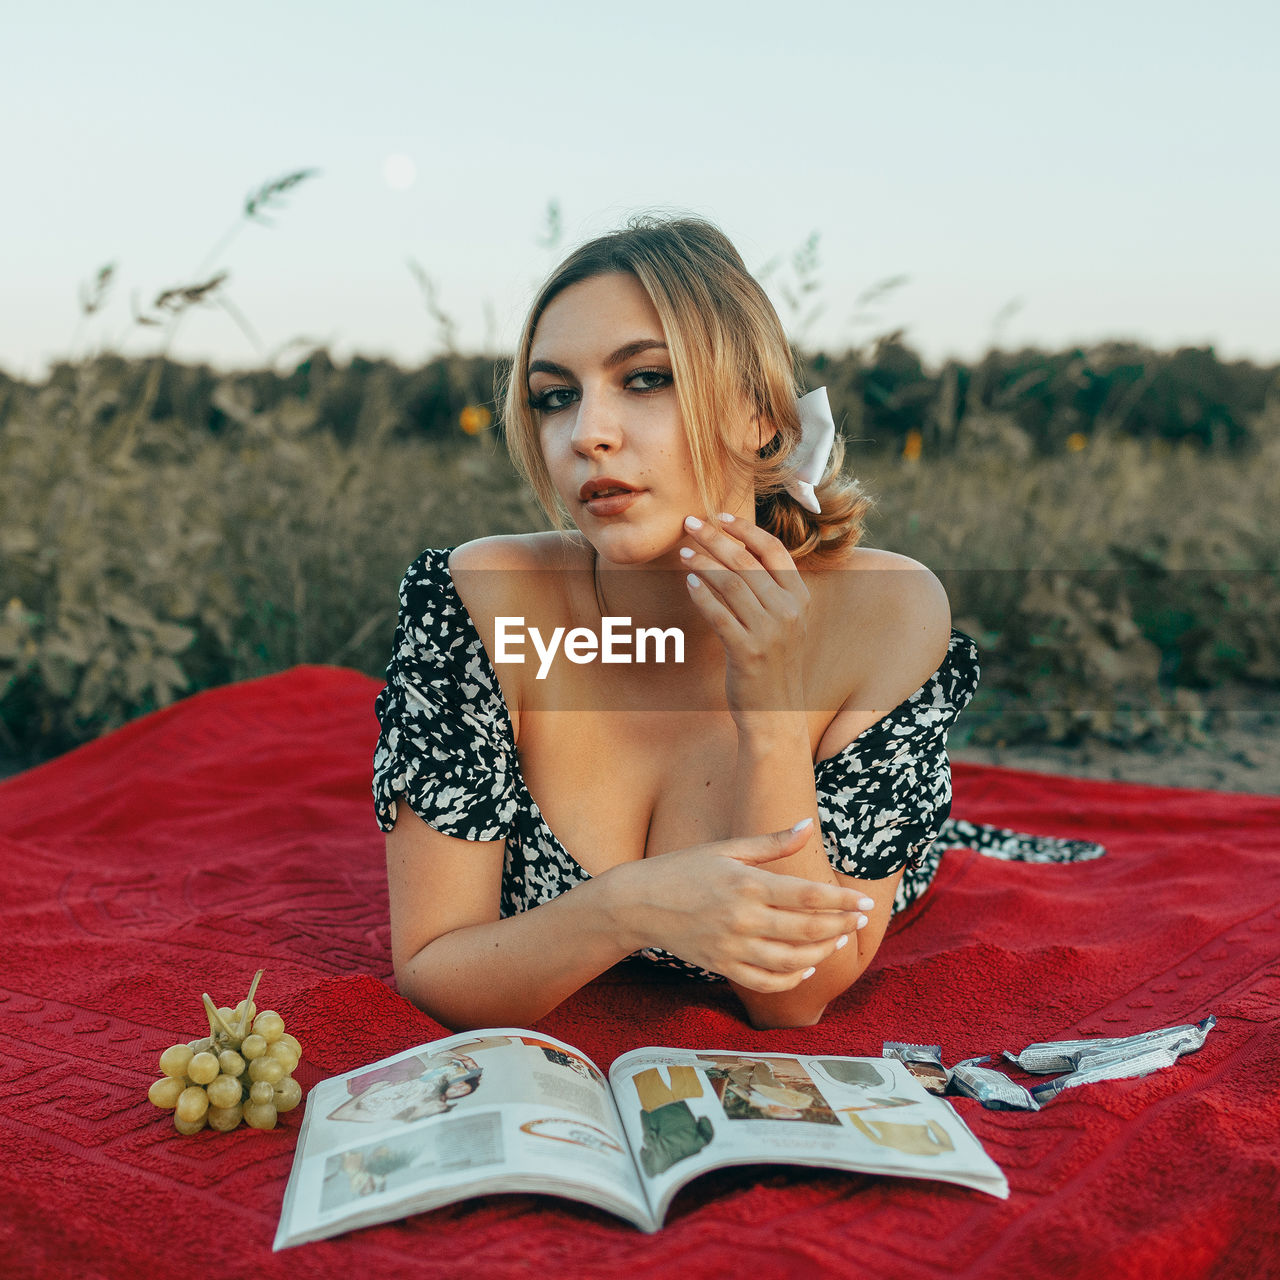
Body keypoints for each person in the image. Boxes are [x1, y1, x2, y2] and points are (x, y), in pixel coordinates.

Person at [374, 214, 1102, 1032]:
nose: (588, 434)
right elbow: (434, 963)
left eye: (646, 379)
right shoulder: (483, 601)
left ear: (760, 414)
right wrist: (628, 910)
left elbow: (792, 998)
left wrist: (775, 714)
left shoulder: (886, 614)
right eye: (555, 397)